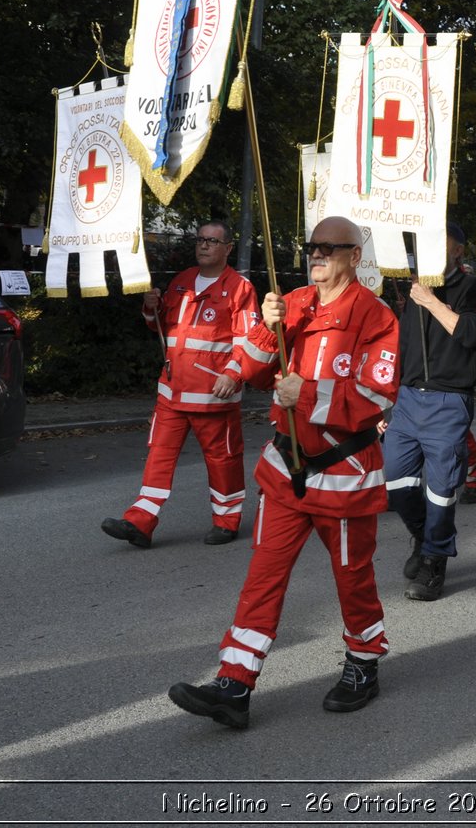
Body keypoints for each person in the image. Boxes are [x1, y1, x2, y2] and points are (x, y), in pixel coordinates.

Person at [168, 217, 399, 729]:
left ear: (354, 257)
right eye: (310, 246)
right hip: (285, 470)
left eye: (328, 248)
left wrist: (309, 396)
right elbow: (247, 367)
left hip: (344, 477)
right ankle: (234, 682)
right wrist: (263, 327)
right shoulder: (290, 303)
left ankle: (364, 661)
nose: (315, 255)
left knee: (352, 578)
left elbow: (376, 396)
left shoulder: (376, 316)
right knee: (262, 577)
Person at [102, 221, 258, 549]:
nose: (204, 245)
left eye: (212, 241)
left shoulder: (240, 288)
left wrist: (233, 375)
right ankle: (140, 522)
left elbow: (248, 341)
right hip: (171, 394)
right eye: (200, 240)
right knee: (158, 456)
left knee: (223, 460)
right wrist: (150, 306)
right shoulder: (182, 281)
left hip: (213, 396)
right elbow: (159, 328)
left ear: (228, 248)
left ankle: (227, 520)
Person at [384, 222, 476, 602]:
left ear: (458, 249)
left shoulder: (469, 287)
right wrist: (386, 399)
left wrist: (430, 300)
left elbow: (471, 334)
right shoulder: (409, 288)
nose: (429, 246)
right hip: (409, 399)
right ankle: (427, 537)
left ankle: (434, 560)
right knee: (395, 482)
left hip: (449, 400)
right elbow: (401, 346)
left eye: (439, 239)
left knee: (441, 491)